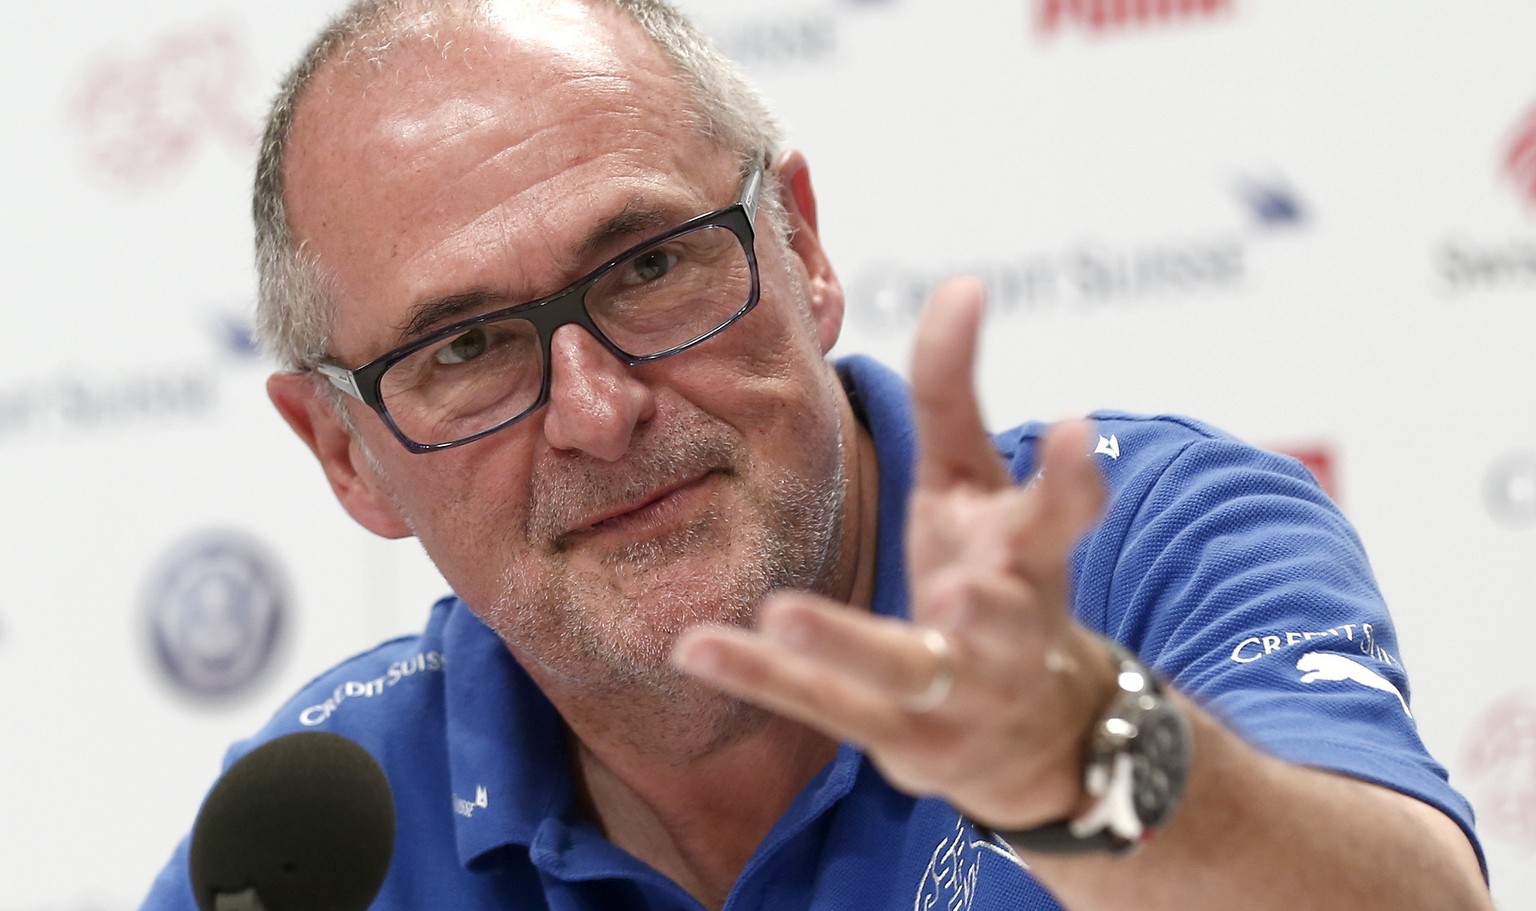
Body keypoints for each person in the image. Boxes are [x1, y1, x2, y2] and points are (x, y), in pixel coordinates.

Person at [142, 0, 1493, 908]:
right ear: (344, 454)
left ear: (803, 246)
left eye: (653, 263)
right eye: (466, 351)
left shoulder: (1137, 549)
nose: (599, 410)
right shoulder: (329, 826)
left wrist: (1084, 768)